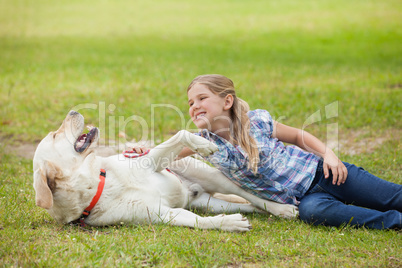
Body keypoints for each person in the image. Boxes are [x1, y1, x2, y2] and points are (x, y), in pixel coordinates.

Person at [134, 74, 402, 229]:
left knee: (390, 195)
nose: (194, 106)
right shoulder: (200, 142)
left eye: (202, 98)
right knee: (314, 213)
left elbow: (297, 135)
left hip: (323, 174)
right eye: (190, 103)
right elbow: (163, 155)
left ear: (227, 101)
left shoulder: (257, 121)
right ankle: (394, 222)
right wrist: (143, 151)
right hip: (301, 201)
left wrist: (329, 154)